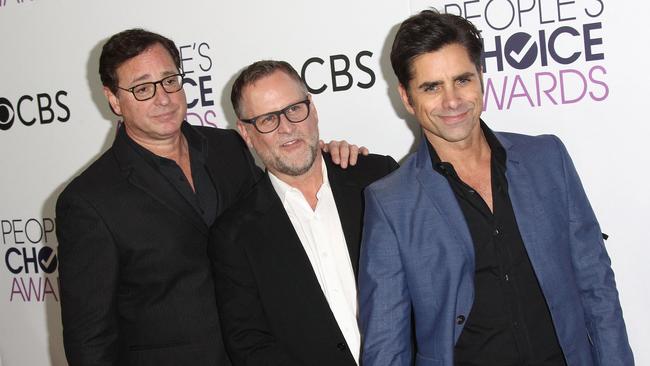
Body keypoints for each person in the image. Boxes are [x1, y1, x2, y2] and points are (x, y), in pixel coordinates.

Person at [55, 29, 363, 366]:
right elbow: (89, 342)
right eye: (142, 88)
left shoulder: (228, 147)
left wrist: (328, 158)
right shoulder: (89, 201)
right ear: (114, 99)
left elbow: (280, 205)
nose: (163, 98)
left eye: (169, 80)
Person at [358, 10, 634, 366]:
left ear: (481, 78)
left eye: (462, 80)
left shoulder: (547, 159)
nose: (452, 100)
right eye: (431, 87)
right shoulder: (391, 202)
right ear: (407, 98)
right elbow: (386, 344)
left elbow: (597, 288)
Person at [209, 60, 398, 366]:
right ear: (245, 133)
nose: (287, 127)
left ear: (312, 108)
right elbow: (250, 344)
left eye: (294, 109)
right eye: (268, 119)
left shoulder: (377, 178)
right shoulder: (234, 235)